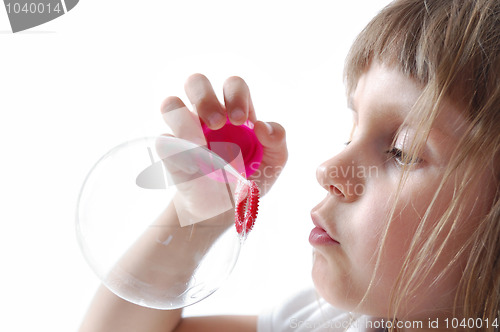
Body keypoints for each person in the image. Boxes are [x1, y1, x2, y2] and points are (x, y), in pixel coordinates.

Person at [79, 0, 500, 331]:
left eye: (402, 152)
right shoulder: (323, 323)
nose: (329, 170)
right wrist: (198, 220)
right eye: (351, 132)